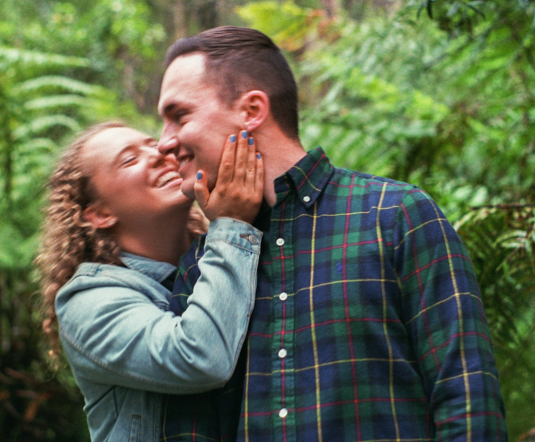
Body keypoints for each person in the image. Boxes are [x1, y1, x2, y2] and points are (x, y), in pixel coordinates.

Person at [157, 26, 508, 441]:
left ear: (252, 110)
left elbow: (467, 401)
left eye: (179, 116)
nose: (163, 142)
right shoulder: (201, 269)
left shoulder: (396, 216)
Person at [34, 121, 265, 442]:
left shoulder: (232, 255)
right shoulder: (86, 303)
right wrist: (232, 225)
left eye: (153, 144)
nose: (159, 154)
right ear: (99, 214)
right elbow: (201, 357)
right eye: (129, 160)